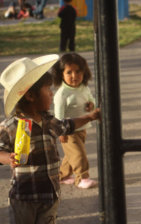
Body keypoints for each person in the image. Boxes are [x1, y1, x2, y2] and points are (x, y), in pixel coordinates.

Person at [0, 54, 100, 224]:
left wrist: (90, 117)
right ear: (31, 96)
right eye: (48, 89)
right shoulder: (11, 126)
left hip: (50, 195)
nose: (52, 94)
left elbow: (68, 125)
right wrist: (7, 158)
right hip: (24, 197)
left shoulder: (48, 120)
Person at [51, 53, 98, 189]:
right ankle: (82, 178)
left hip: (81, 128)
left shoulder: (84, 88)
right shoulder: (62, 94)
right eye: (69, 72)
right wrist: (61, 132)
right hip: (68, 130)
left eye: (78, 71)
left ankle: (62, 176)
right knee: (78, 155)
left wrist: (91, 105)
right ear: (61, 74)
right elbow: (58, 115)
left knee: (71, 155)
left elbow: (91, 100)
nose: (74, 76)